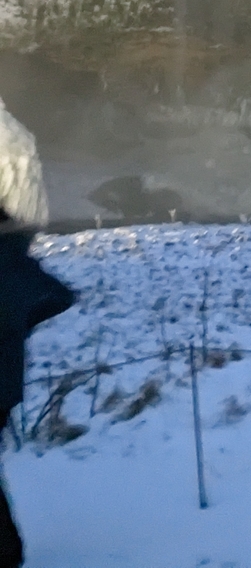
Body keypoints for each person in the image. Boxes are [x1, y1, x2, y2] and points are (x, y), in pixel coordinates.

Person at [0, 99, 75, 568]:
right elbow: (53, 296)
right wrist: (15, 329)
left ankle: (7, 554)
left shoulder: (5, 264)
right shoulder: (12, 260)